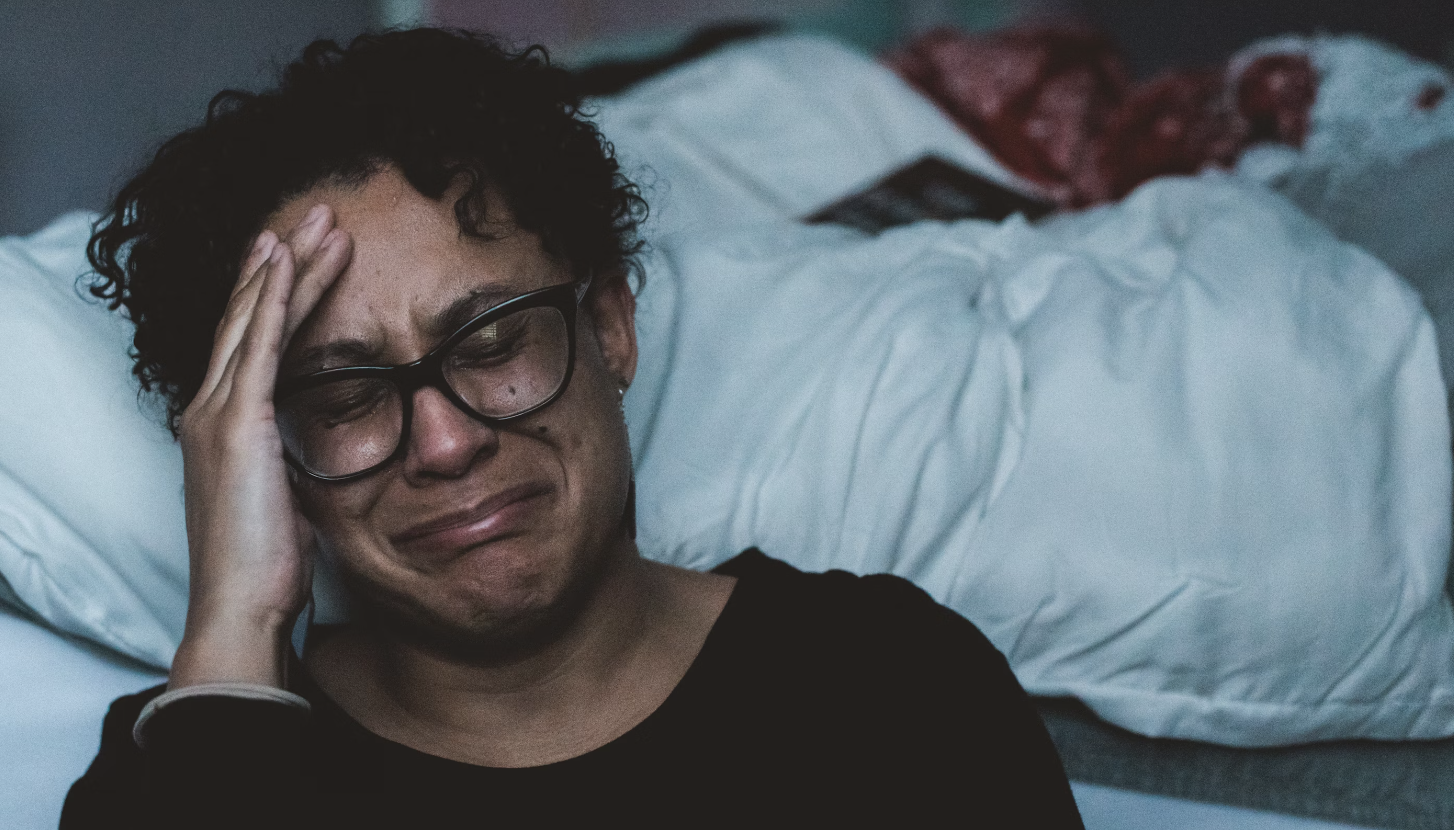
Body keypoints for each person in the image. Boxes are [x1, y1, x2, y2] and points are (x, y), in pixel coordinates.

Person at [61, 28, 1083, 827]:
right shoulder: (183, 763)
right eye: (343, 398)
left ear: (608, 327)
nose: (446, 443)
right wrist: (233, 622)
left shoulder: (888, 686)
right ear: (266, 455)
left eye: (495, 341)